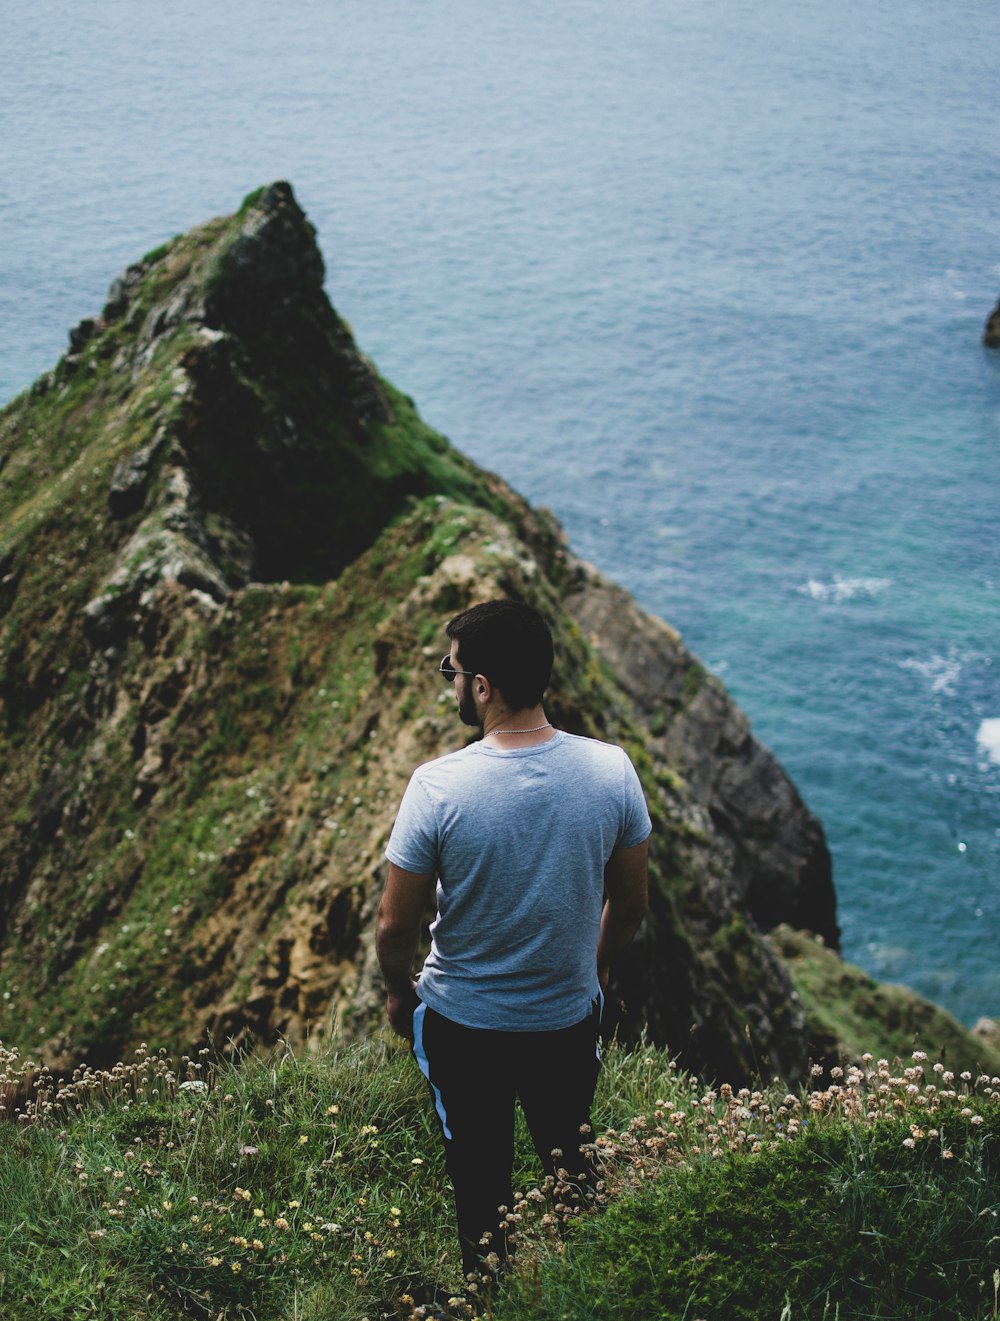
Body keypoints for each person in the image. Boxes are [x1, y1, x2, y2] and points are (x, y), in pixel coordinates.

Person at [376, 598, 651, 1280]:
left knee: (480, 1175)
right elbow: (633, 903)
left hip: (462, 1025)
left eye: (453, 668)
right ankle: (585, 1285)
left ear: (482, 686)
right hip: (566, 1014)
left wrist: (395, 992)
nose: (450, 681)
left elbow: (393, 925)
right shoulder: (611, 770)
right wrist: (600, 968)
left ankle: (490, 1290)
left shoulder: (437, 786)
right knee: (569, 1158)